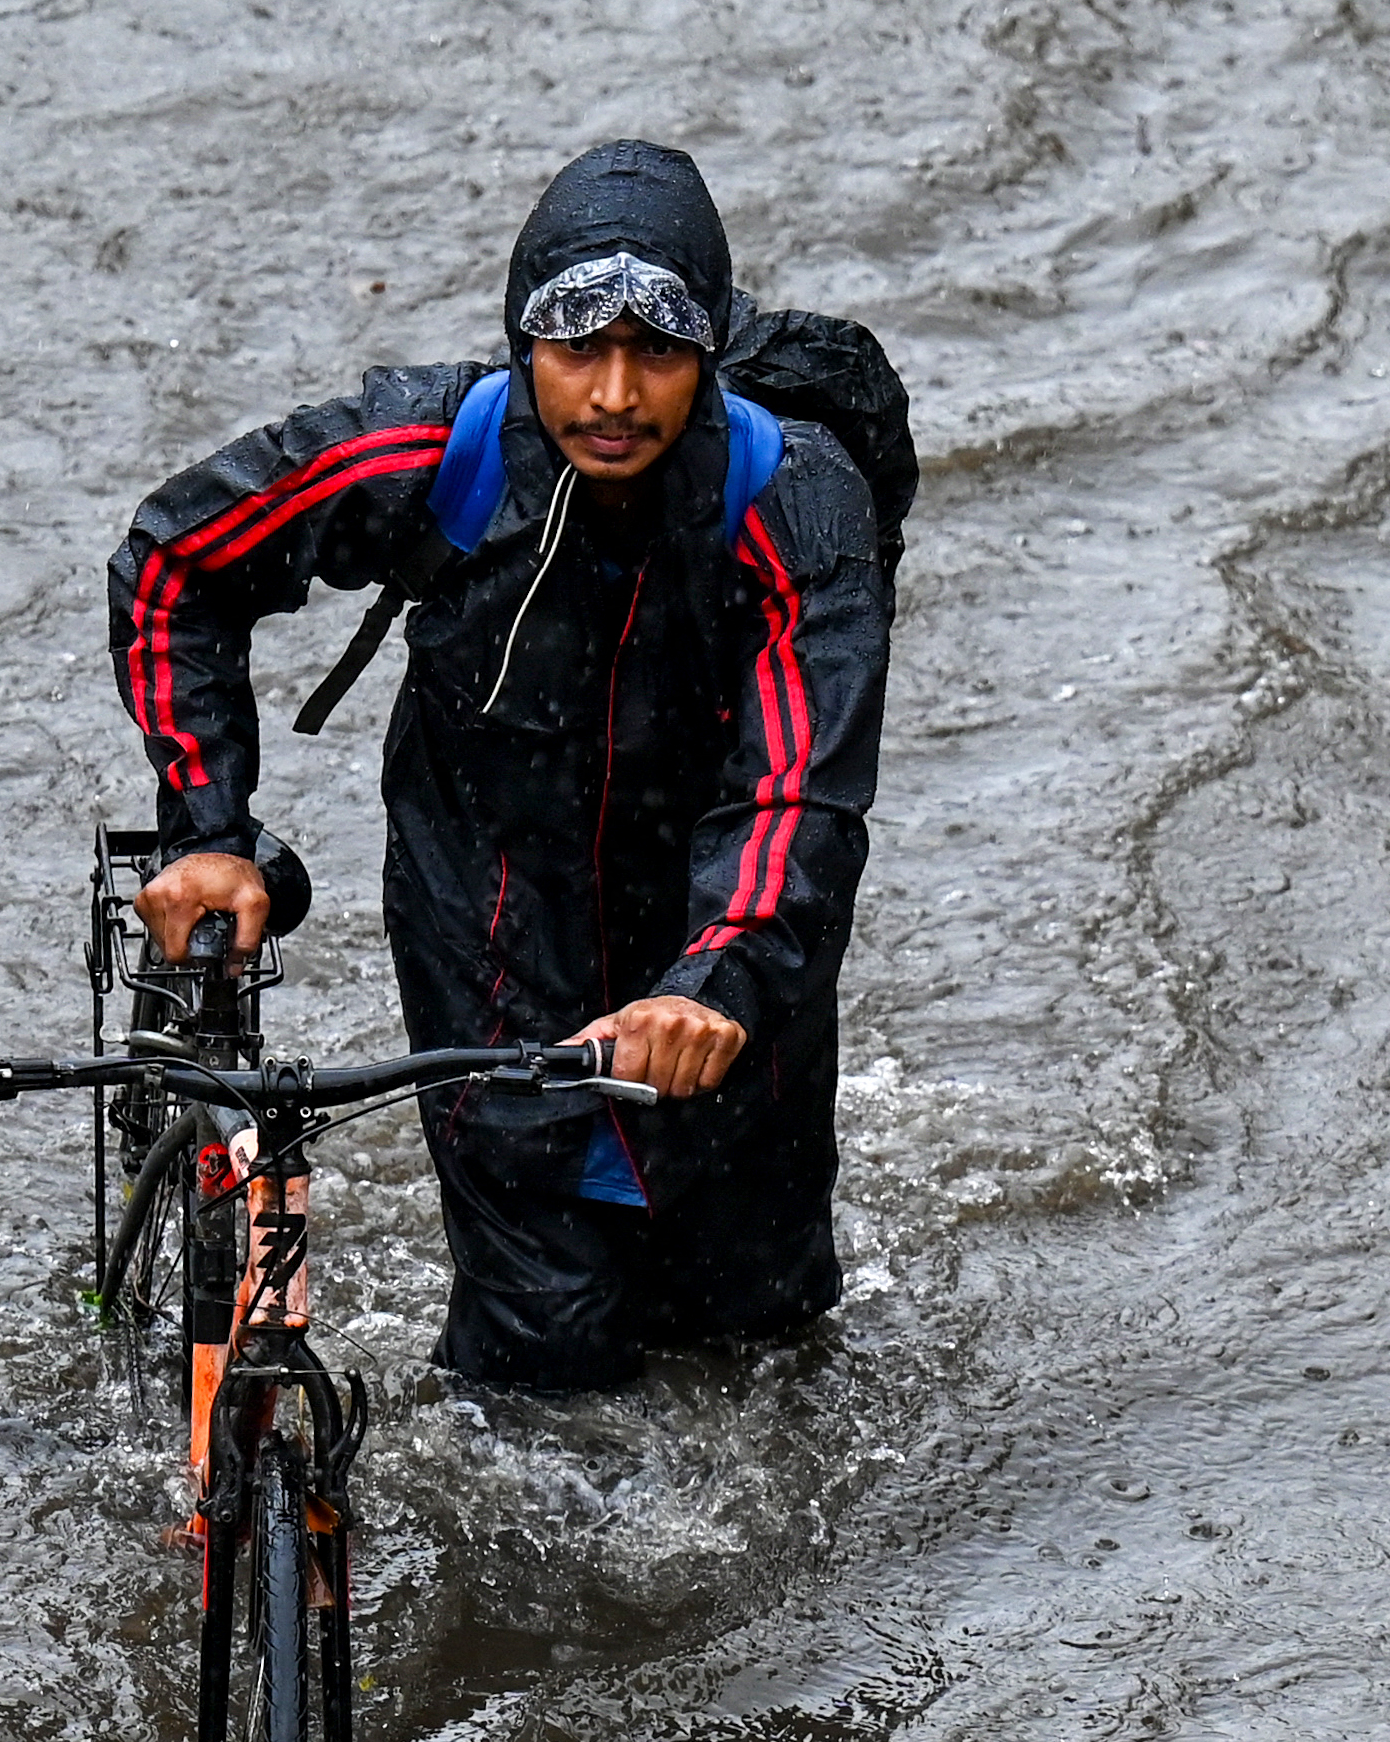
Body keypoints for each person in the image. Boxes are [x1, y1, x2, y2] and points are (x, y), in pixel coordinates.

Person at [105, 142, 897, 1394]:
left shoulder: (802, 506)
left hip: (733, 915)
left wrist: (719, 976)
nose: (617, 395)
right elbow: (176, 562)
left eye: (660, 352)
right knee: (541, 1351)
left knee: (758, 1332)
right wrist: (207, 825)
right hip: (488, 904)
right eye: (579, 350)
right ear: (525, 346)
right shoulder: (427, 450)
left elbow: (800, 790)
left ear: (713, 352)